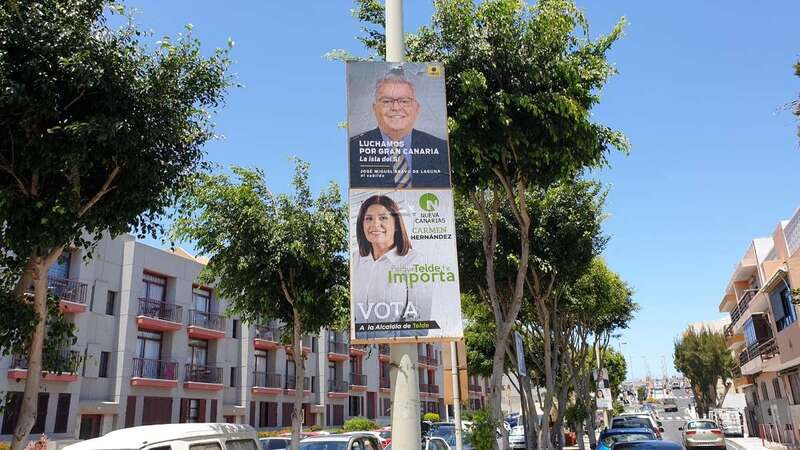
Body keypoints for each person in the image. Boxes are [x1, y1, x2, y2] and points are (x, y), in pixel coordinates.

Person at [349, 71, 451, 188]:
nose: (396, 107)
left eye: (404, 101)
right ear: (375, 109)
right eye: (387, 101)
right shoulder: (353, 149)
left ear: (416, 108)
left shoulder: (440, 149)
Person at [351, 195, 431, 338]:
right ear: (361, 224)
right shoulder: (355, 260)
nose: (375, 224)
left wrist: (391, 346)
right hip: (360, 350)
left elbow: (419, 324)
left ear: (396, 225)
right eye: (369, 218)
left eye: (383, 218)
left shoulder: (414, 261)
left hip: (395, 352)